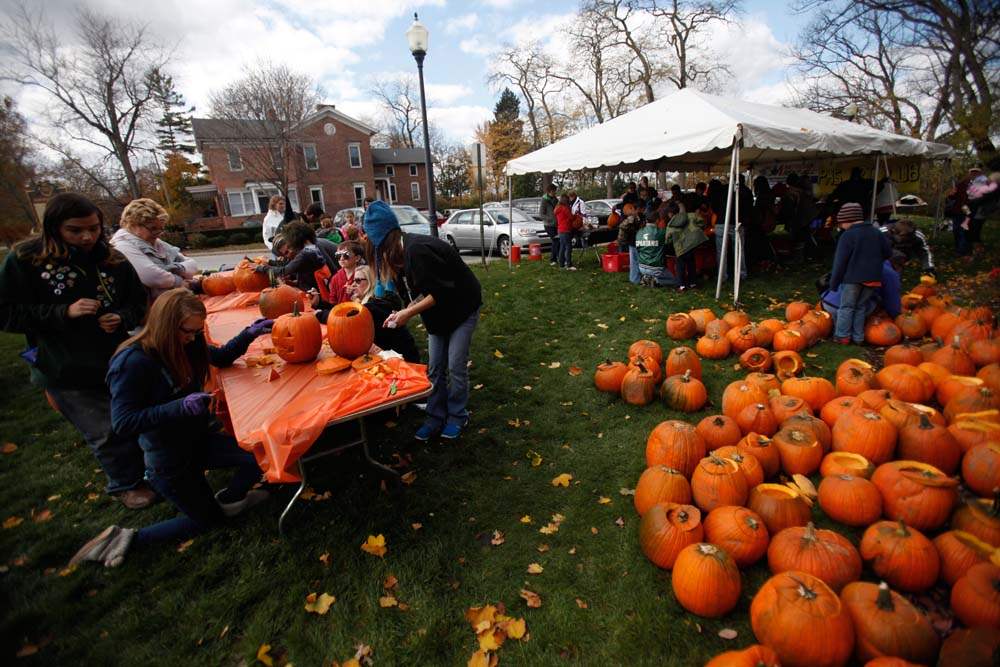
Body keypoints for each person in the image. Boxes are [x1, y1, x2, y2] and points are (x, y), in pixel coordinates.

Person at [70, 289, 273, 568]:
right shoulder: (132, 362)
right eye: (187, 331)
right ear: (166, 325)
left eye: (196, 331)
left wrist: (249, 334)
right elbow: (123, 422)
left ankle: (230, 498)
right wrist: (177, 407)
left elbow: (221, 357)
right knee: (208, 521)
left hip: (199, 440)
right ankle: (125, 538)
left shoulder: (187, 344)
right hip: (169, 459)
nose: (192, 337)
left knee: (260, 455)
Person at [0, 193, 152, 508]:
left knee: (136, 417)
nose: (87, 237)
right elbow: (7, 313)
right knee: (104, 429)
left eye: (94, 228)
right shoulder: (26, 261)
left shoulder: (112, 260)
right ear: (54, 228)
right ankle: (127, 484)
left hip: (116, 357)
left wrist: (121, 316)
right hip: (65, 365)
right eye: (76, 230)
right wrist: (63, 313)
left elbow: (138, 302)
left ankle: (154, 473)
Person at [366, 200, 482, 440]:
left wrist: (408, 314)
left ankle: (457, 415)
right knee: (435, 368)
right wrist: (401, 312)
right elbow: (416, 294)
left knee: (455, 366)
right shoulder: (396, 258)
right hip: (439, 313)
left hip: (462, 308)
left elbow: (438, 292)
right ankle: (435, 416)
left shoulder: (417, 251)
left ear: (386, 239)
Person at [317, 265, 420, 363]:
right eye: (353, 280)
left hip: (403, 360)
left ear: (371, 282)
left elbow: (343, 318)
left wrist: (318, 315)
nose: (353, 285)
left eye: (358, 281)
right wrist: (318, 303)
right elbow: (341, 310)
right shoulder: (372, 302)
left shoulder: (372, 307)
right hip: (392, 354)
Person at [828, 202, 892, 344]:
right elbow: (888, 252)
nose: (840, 226)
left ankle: (842, 336)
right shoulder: (876, 232)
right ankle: (858, 337)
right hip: (873, 277)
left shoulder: (847, 236)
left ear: (847, 220)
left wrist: (834, 283)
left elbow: (840, 262)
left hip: (852, 278)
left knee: (846, 307)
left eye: (841, 223)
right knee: (861, 307)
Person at [111, 198, 199, 301]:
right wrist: (180, 281)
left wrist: (175, 268)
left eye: (161, 228)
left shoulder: (154, 242)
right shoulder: (122, 245)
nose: (159, 233)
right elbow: (153, 277)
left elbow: (193, 265)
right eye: (153, 228)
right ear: (133, 225)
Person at [821, 252, 904, 322]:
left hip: (826, 302)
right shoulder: (891, 273)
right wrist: (897, 318)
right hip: (845, 309)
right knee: (878, 303)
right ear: (898, 266)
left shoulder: (862, 260)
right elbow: (892, 302)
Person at [257, 221, 338, 291]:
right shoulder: (310, 247)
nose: (290, 251)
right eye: (286, 253)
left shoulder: (309, 250)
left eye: (289, 247)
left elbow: (285, 271)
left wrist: (260, 268)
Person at [664, 201, 708, 291]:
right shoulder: (691, 215)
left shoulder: (670, 224)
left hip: (680, 248)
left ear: (670, 213)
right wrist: (698, 228)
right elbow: (702, 222)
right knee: (691, 263)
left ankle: (681, 286)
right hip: (692, 245)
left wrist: (668, 241)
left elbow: (668, 240)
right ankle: (693, 284)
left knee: (680, 266)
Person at [313, 240, 366, 307]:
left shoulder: (364, 276)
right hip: (340, 312)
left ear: (357, 258)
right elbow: (333, 301)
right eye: (338, 255)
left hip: (359, 310)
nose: (341, 258)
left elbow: (368, 295)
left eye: (346, 255)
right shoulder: (335, 278)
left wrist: (357, 292)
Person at [635, 209, 679, 287]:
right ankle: (655, 281)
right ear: (657, 220)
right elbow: (670, 241)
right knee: (677, 281)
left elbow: (638, 249)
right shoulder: (661, 232)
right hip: (656, 268)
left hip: (641, 266)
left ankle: (647, 278)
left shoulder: (639, 232)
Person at [616, 203, 643, 285]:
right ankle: (637, 278)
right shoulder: (635, 218)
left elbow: (622, 227)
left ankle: (635, 278)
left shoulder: (635, 218)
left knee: (635, 261)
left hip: (636, 242)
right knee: (637, 261)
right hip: (636, 241)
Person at [554, 194, 576, 270]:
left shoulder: (558, 207)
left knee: (562, 247)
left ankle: (561, 264)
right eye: (568, 199)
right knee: (568, 247)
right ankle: (569, 265)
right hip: (566, 229)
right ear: (566, 200)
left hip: (560, 229)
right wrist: (575, 215)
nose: (569, 201)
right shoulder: (565, 208)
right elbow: (571, 217)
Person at [539, 184, 559, 265]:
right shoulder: (544, 200)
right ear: (550, 191)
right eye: (554, 191)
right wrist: (551, 218)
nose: (555, 192)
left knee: (559, 241)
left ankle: (558, 257)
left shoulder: (555, 199)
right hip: (549, 225)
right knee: (556, 240)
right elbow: (541, 214)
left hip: (557, 224)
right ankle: (553, 259)